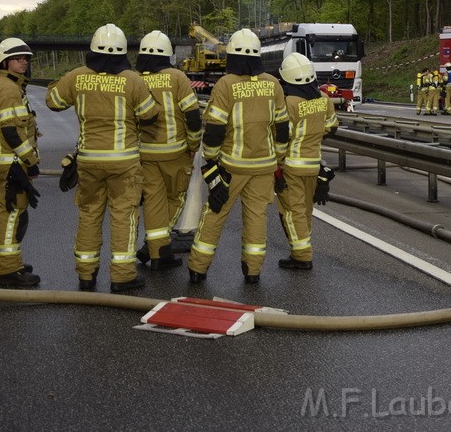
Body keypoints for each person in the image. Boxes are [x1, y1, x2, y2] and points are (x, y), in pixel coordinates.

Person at [46, 23, 159, 293]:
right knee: (124, 217)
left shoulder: (76, 77)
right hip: (124, 163)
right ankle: (122, 277)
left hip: (89, 161)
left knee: (89, 215)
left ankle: (86, 276)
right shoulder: (133, 80)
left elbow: (53, 101)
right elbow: (150, 114)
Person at [187, 28, 289, 285]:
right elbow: (283, 127)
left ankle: (198, 269)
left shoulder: (226, 85)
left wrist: (210, 160)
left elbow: (215, 129)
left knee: (215, 213)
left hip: (231, 167)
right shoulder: (273, 83)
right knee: (256, 218)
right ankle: (253, 271)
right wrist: (279, 158)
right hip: (264, 167)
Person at [135, 30, 202, 271]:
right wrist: (193, 145)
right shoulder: (177, 77)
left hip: (145, 153)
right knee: (175, 198)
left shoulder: (135, 79)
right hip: (175, 152)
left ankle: (154, 250)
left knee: (153, 201)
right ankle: (160, 249)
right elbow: (193, 116)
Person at [0, 37, 41, 288]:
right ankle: (9, 271)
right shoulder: (8, 88)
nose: (24, 63)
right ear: (4, 62)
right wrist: (30, 161)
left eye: (26, 59)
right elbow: (12, 132)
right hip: (13, 163)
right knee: (11, 215)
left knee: (14, 214)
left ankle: (7, 262)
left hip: (9, 161)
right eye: (18, 59)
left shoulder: (4, 84)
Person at [274, 52, 339, 270]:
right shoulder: (324, 100)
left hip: (292, 165)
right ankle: (300, 249)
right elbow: (332, 127)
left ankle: (302, 256)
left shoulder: (288, 102)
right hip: (313, 164)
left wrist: (277, 162)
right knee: (305, 211)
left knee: (292, 211)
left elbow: (282, 136)